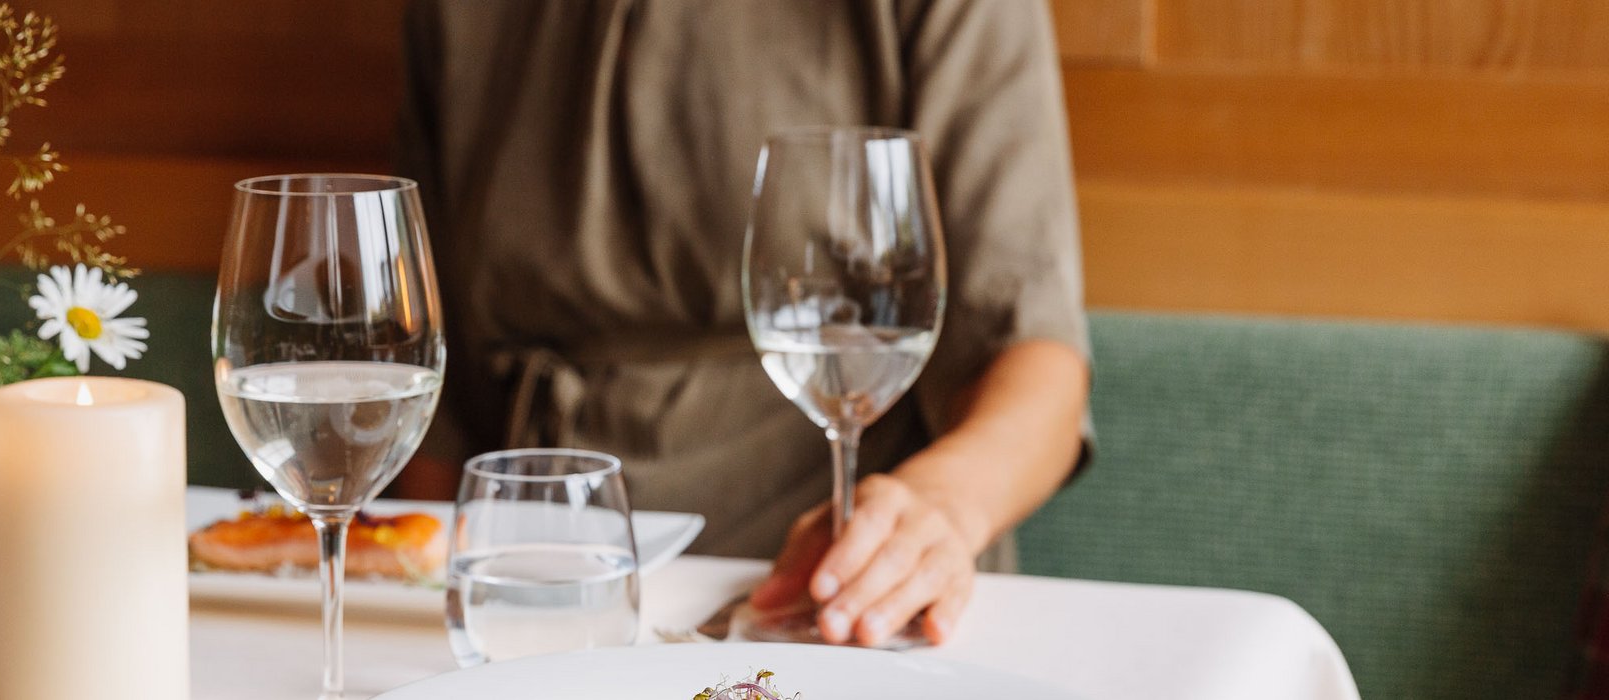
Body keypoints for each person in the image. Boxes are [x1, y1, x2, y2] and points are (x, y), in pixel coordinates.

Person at [394, 0, 1091, 647]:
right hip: (536, 596)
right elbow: (434, 370)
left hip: (822, 600)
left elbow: (1034, 358)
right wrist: (422, 613)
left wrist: (937, 505)